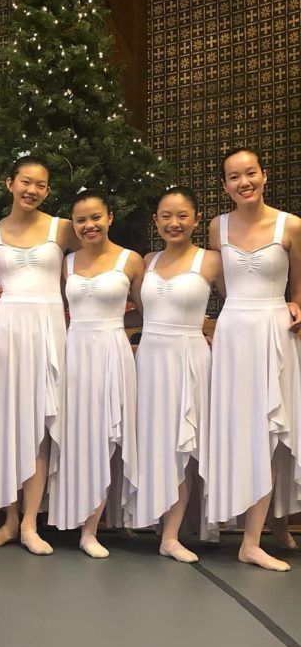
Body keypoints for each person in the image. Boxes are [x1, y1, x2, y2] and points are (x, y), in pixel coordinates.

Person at [207, 148, 301, 571]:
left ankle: (269, 528)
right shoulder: (217, 226)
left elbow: (299, 283)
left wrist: (296, 303)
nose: (243, 182)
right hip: (233, 333)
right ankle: (252, 535)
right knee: (243, 430)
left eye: (250, 173)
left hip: (274, 331)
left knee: (273, 428)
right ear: (225, 185)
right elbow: (225, 287)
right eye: (233, 177)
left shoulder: (291, 225)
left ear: (264, 176)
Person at [0, 155, 74, 555]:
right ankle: (9, 521)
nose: (32, 190)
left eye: (40, 185)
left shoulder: (63, 228)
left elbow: (83, 272)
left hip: (49, 329)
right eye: (25, 182)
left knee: (39, 425)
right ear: (9, 183)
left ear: (47, 190)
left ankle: (32, 522)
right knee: (7, 424)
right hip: (8, 332)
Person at [49, 189, 143, 558]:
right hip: (74, 351)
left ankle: (92, 527)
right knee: (75, 435)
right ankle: (68, 515)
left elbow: (146, 311)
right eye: (81, 220)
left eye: (96, 218)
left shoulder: (131, 260)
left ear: (110, 218)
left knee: (106, 435)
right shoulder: (66, 264)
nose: (89, 225)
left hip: (110, 351)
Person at [133, 186, 220, 562]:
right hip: (150, 361)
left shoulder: (212, 261)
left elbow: (235, 308)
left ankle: (171, 535)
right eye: (166, 215)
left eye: (182, 215)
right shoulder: (147, 261)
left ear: (196, 219)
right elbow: (140, 311)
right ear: (156, 220)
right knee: (154, 442)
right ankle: (151, 520)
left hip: (190, 360)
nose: (174, 222)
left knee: (183, 445)